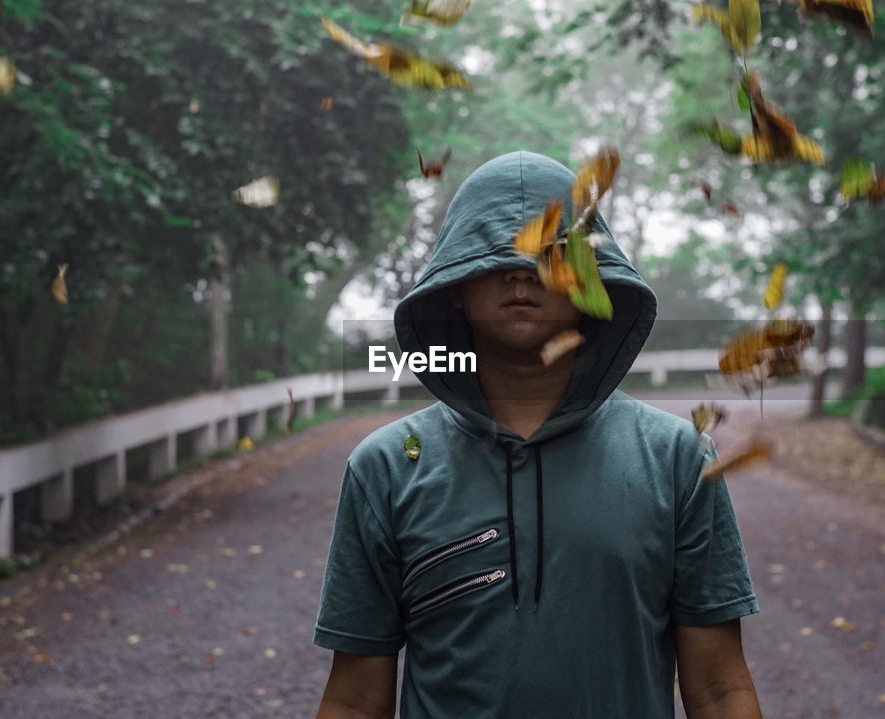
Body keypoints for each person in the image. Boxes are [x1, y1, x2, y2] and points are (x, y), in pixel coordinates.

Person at [313, 150, 765, 719]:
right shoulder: (386, 466)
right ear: (454, 284)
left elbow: (720, 689)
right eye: (493, 254)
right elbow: (354, 699)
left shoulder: (676, 459)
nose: (520, 273)